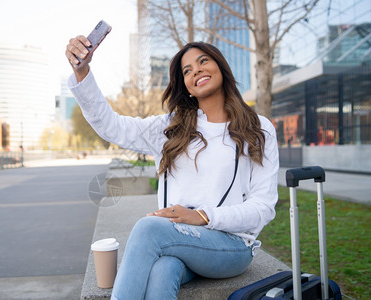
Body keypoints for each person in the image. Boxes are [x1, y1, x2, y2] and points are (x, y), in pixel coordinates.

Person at [65, 35, 279, 300]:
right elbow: (111, 126)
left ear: (221, 67)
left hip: (231, 245)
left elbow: (263, 206)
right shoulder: (169, 128)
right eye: (187, 70)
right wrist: (82, 71)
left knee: (149, 226)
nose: (196, 70)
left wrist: (202, 216)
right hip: (178, 239)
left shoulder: (258, 128)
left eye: (203, 61)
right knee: (162, 271)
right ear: (186, 86)